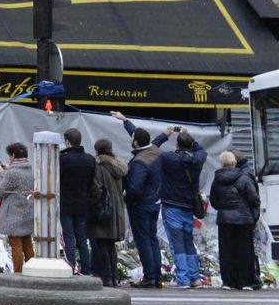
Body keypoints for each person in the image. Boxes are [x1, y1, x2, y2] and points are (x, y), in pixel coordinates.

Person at [111, 111, 164, 288]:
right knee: (152, 239)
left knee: (143, 242)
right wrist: (125, 121)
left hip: (141, 205)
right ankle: (156, 276)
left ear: (135, 142)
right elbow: (141, 138)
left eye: (133, 137)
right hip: (154, 202)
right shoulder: (155, 151)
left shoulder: (140, 162)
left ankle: (149, 277)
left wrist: (125, 199)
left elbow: (135, 188)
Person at [153, 126, 207, 288]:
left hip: (172, 204)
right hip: (189, 205)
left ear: (176, 144)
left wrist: (165, 135)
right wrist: (186, 134)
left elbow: (153, 148)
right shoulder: (198, 158)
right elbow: (202, 150)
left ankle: (183, 278)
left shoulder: (169, 158)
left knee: (176, 242)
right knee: (188, 241)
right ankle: (195, 277)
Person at [210, 150, 262, 290]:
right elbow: (254, 199)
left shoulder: (217, 179)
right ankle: (246, 281)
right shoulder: (245, 177)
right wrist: (254, 216)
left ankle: (228, 281)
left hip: (225, 219)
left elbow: (214, 201)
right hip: (244, 219)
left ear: (221, 163)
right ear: (235, 163)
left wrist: (224, 208)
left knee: (226, 251)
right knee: (244, 250)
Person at [86, 138, 128, 287]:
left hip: (103, 207)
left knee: (101, 242)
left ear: (97, 150)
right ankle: (114, 277)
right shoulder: (119, 167)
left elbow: (96, 189)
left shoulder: (98, 167)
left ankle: (107, 276)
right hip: (116, 208)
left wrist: (91, 203)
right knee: (110, 244)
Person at [57, 127, 97, 275]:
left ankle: (71, 267)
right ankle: (86, 269)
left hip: (66, 203)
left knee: (68, 238)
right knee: (82, 238)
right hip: (82, 203)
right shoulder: (90, 159)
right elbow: (92, 182)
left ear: (67, 142)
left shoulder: (62, 159)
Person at [0, 143, 34, 274]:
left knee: (16, 244)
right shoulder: (31, 170)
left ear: (13, 155)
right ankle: (32, 270)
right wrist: (6, 172)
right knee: (27, 243)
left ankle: (18, 273)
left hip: (14, 213)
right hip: (28, 211)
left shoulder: (12, 173)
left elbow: (1, 191)